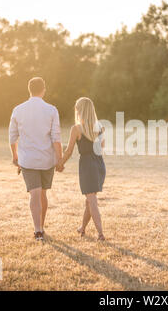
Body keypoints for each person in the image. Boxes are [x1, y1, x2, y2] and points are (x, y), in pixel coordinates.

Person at [9, 77, 63, 241]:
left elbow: (12, 137)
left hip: (27, 160)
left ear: (29, 89)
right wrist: (59, 159)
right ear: (43, 89)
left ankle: (37, 229)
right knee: (42, 194)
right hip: (46, 159)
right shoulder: (51, 110)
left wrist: (15, 156)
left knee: (34, 194)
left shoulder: (18, 109)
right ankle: (41, 226)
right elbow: (56, 137)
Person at [58, 97, 106, 241]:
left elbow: (69, 151)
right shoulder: (100, 127)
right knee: (89, 200)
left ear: (79, 111)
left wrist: (60, 164)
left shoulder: (77, 128)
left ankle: (100, 234)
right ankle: (83, 228)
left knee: (91, 200)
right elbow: (101, 148)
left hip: (87, 165)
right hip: (99, 164)